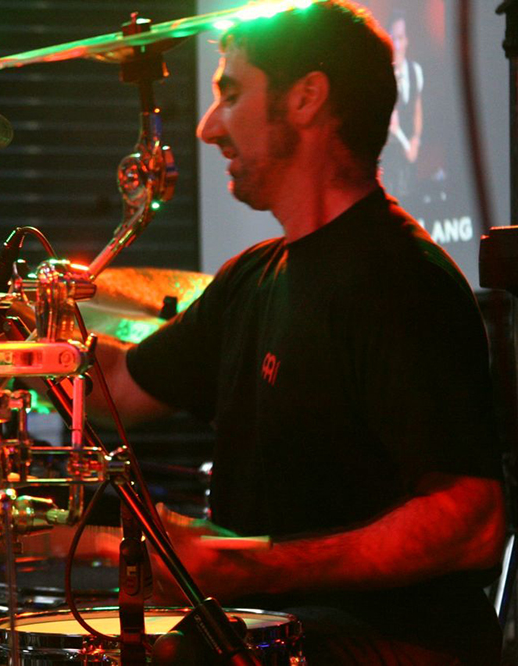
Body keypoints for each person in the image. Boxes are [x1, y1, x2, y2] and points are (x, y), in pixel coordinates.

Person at [90, 2, 506, 663]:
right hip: (270, 630)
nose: (207, 127)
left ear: (307, 98)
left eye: (231, 94)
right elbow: (114, 386)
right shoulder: (252, 277)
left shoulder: (402, 280)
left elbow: (472, 522)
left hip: (388, 642)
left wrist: (251, 566)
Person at [386, 9, 424, 199]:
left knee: (411, 198)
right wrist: (404, 143)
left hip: (409, 157)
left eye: (400, 38)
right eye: (393, 38)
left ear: (407, 40)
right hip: (390, 157)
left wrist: (415, 139)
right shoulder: (385, 74)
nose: (397, 45)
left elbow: (417, 109)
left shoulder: (415, 71)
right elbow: (391, 123)